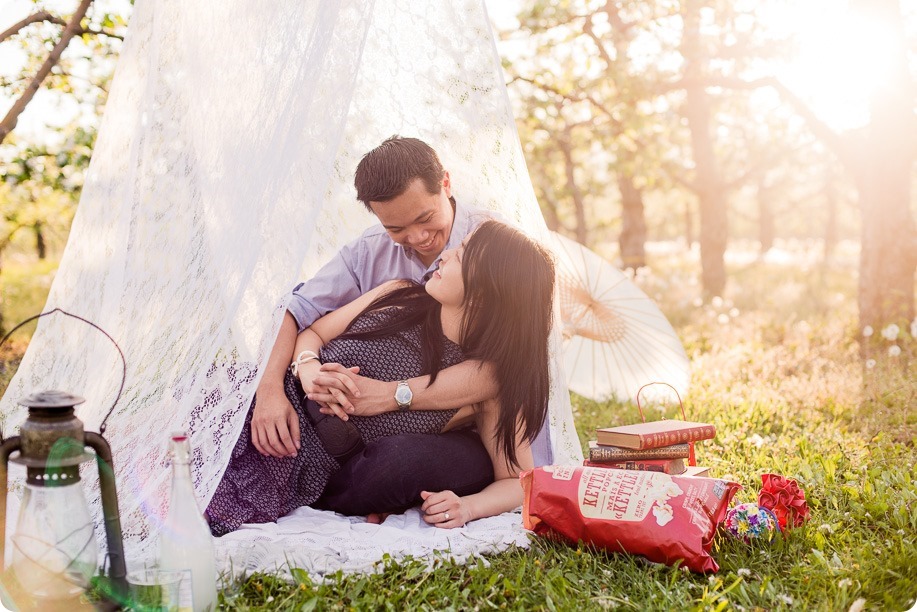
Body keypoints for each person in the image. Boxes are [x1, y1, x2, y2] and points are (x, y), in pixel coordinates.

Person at [248, 136, 551, 518]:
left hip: (442, 439)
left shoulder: (495, 249)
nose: (420, 240)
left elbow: (506, 368)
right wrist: (291, 377)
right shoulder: (390, 279)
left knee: (407, 462)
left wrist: (393, 395)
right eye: (396, 228)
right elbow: (298, 314)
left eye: (425, 219)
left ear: (445, 183)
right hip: (315, 424)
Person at [206, 220, 555, 534]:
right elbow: (312, 333)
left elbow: (515, 479)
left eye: (460, 256)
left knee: (191, 501)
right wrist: (308, 370)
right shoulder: (398, 294)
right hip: (264, 402)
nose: (444, 256)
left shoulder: (481, 384)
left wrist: (467, 506)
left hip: (293, 454)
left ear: (486, 293)